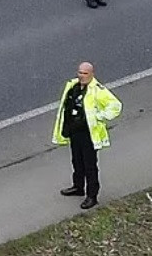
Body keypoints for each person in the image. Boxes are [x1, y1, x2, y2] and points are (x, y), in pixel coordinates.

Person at [53, 62, 122, 209]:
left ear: (91, 74)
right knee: (77, 162)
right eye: (79, 72)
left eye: (85, 73)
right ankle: (78, 187)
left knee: (90, 166)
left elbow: (115, 106)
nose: (81, 76)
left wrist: (99, 116)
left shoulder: (98, 91)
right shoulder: (73, 86)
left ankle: (92, 196)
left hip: (89, 135)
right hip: (75, 132)